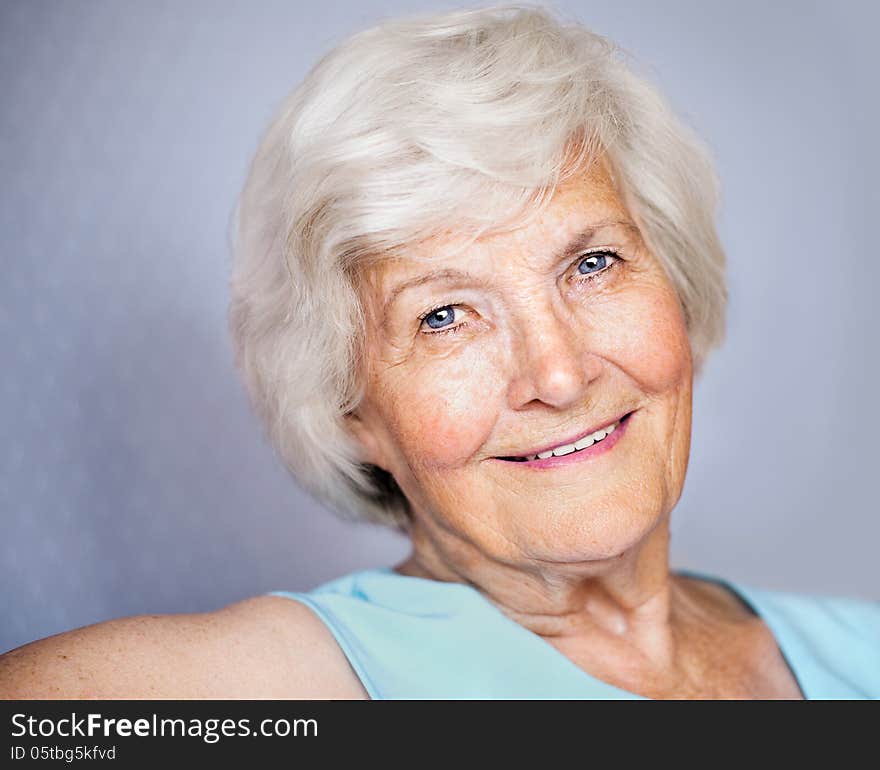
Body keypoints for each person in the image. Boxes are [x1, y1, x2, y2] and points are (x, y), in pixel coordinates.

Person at [1, 4, 877, 700]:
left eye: (593, 263)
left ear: (677, 288)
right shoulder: (300, 683)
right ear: (350, 412)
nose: (559, 373)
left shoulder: (860, 651)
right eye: (446, 316)